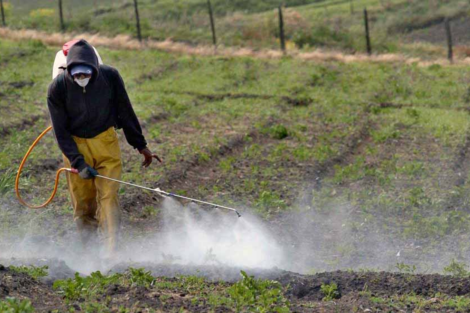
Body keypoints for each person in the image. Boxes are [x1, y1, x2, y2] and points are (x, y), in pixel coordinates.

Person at [47, 39, 161, 257]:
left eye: (86, 74)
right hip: (75, 145)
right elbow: (60, 132)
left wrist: (141, 145)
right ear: (69, 72)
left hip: (105, 142)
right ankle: (88, 253)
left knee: (108, 196)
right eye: (77, 75)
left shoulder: (110, 77)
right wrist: (78, 163)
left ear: (94, 70)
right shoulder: (57, 88)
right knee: (83, 203)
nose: (82, 79)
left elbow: (125, 110)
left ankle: (110, 254)